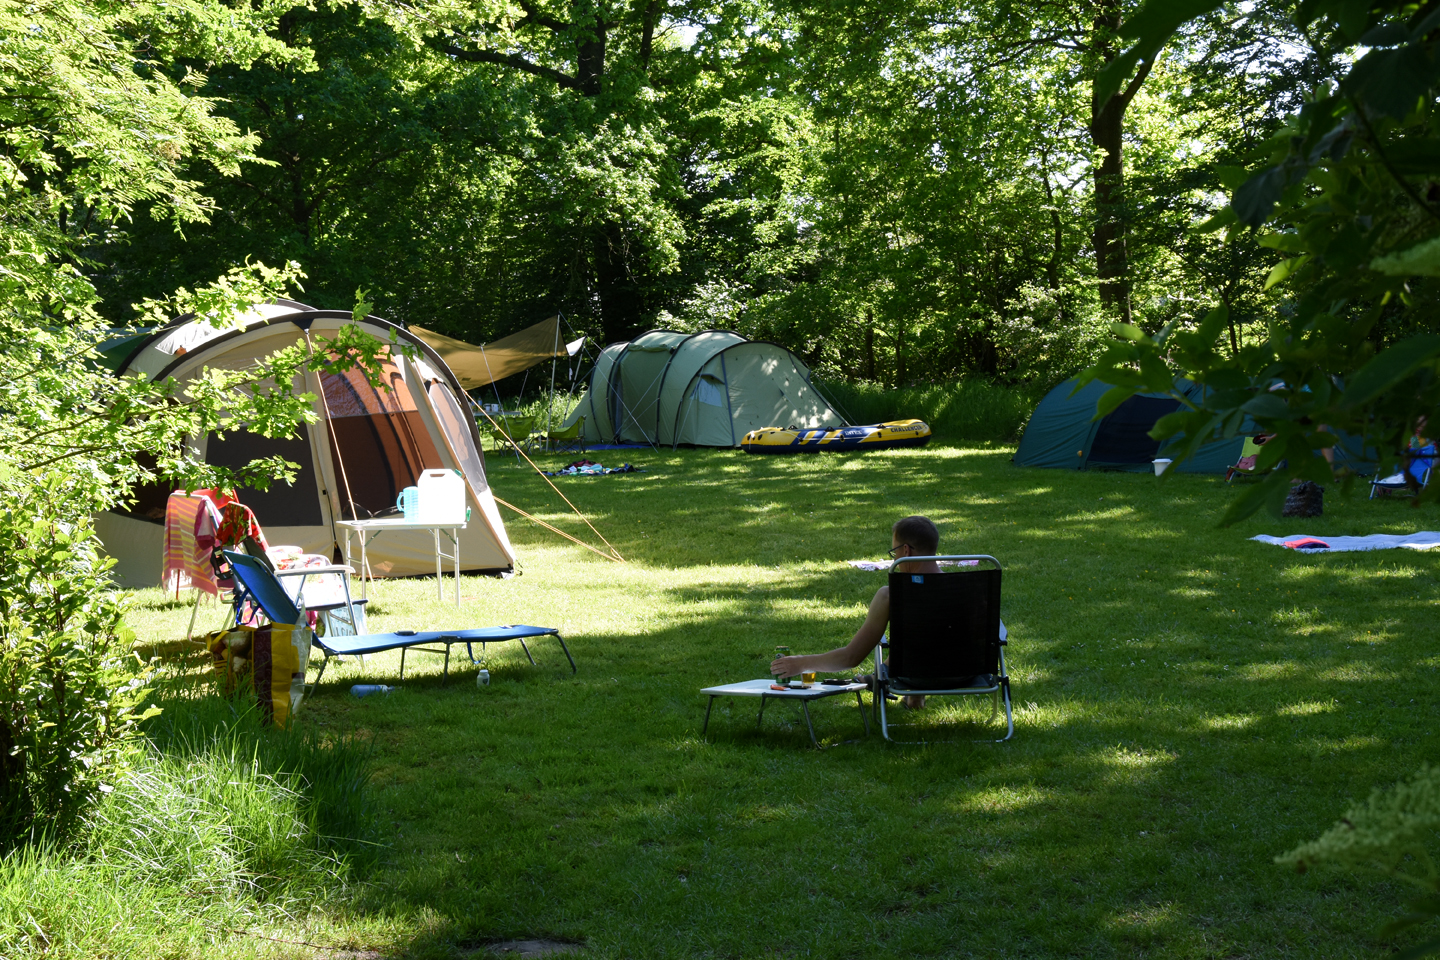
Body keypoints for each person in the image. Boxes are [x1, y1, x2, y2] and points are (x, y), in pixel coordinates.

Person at [770, 515, 942, 709]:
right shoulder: (970, 590)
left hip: (914, 678)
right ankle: (914, 698)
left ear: (905, 550)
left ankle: (900, 686)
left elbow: (851, 657)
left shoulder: (890, 596)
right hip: (969, 676)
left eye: (894, 552)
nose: (895, 559)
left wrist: (801, 663)